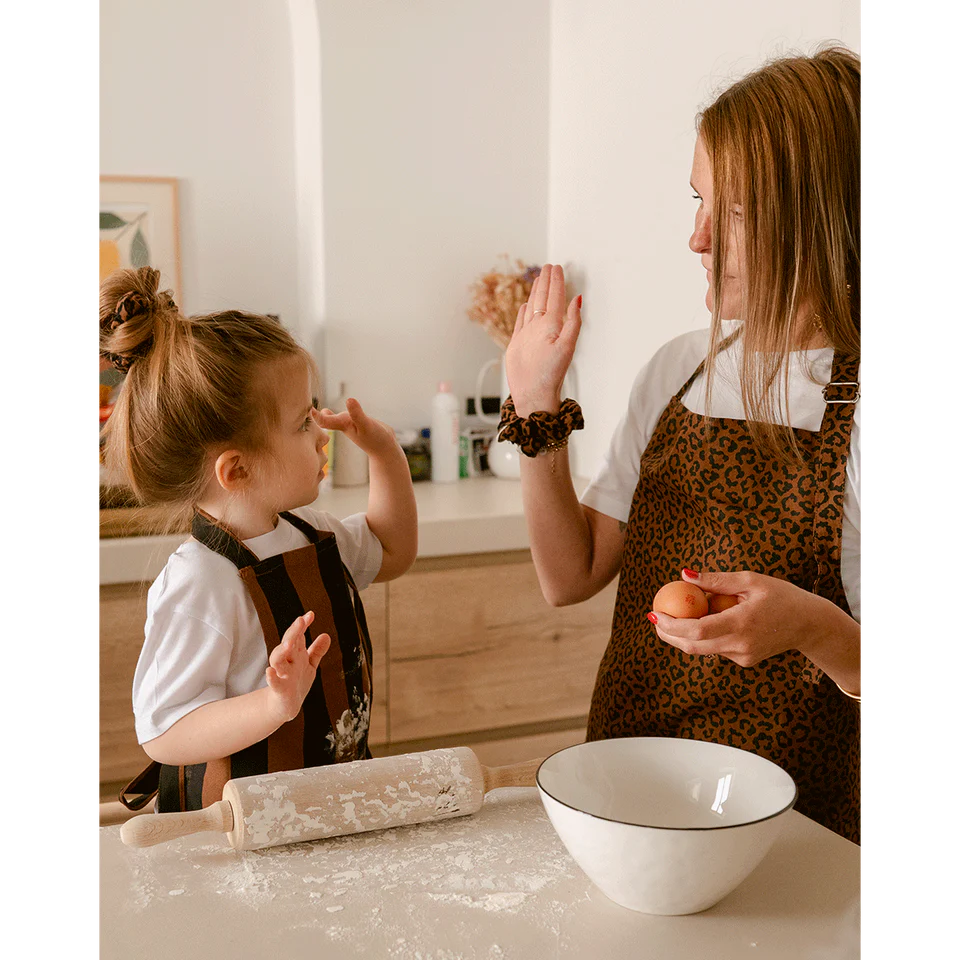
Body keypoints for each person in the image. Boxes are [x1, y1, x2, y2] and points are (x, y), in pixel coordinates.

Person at [499, 46, 862, 843]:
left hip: (793, 830)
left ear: (817, 216)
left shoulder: (857, 402)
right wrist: (536, 409)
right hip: (629, 788)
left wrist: (812, 627)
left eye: (732, 212)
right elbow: (568, 577)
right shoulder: (678, 369)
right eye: (697, 201)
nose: (697, 238)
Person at [99, 266, 418, 813]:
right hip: (239, 833)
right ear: (237, 470)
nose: (321, 431)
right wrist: (273, 705)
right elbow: (164, 730)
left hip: (324, 804)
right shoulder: (202, 582)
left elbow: (393, 552)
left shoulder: (312, 533)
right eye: (301, 424)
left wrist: (386, 455)